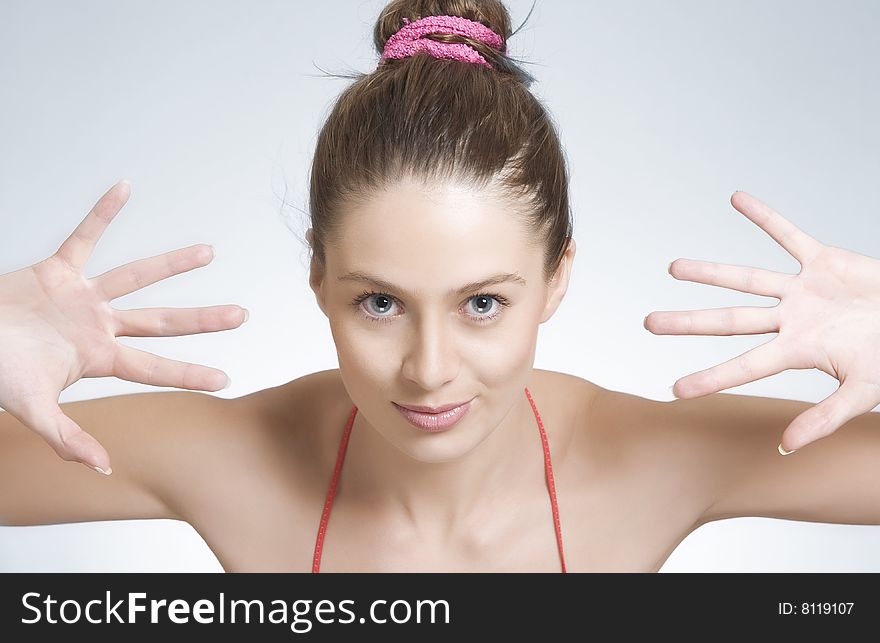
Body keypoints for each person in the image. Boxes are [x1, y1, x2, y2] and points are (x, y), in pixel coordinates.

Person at [1, 0, 880, 573]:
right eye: (379, 302)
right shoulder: (232, 460)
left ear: (557, 277)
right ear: (318, 276)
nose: (428, 370)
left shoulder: (655, 460)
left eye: (483, 303)